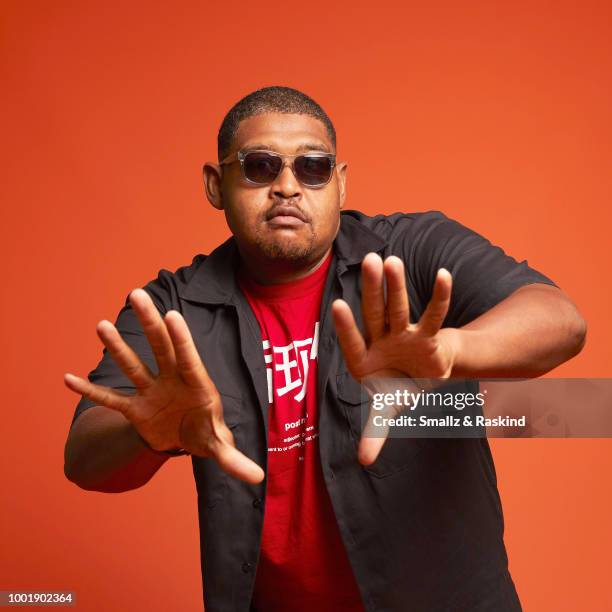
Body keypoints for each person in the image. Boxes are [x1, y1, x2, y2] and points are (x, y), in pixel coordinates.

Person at [63, 86, 587, 612]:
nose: (287, 186)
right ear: (215, 185)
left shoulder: (411, 252)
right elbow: (86, 460)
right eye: (259, 167)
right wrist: (150, 434)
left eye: (312, 168)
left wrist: (453, 349)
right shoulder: (172, 310)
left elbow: (559, 320)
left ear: (339, 184)